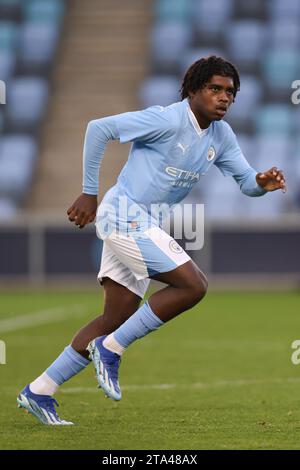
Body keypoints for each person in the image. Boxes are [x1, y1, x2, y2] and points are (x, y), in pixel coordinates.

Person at [17, 56, 286, 425]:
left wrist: (261, 184)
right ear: (193, 90)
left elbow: (245, 182)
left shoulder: (221, 137)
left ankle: (40, 389)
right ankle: (110, 350)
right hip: (122, 215)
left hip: (143, 223)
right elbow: (99, 129)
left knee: (116, 316)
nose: (224, 97)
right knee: (193, 285)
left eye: (230, 93)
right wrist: (88, 193)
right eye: (215, 89)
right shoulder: (166, 119)